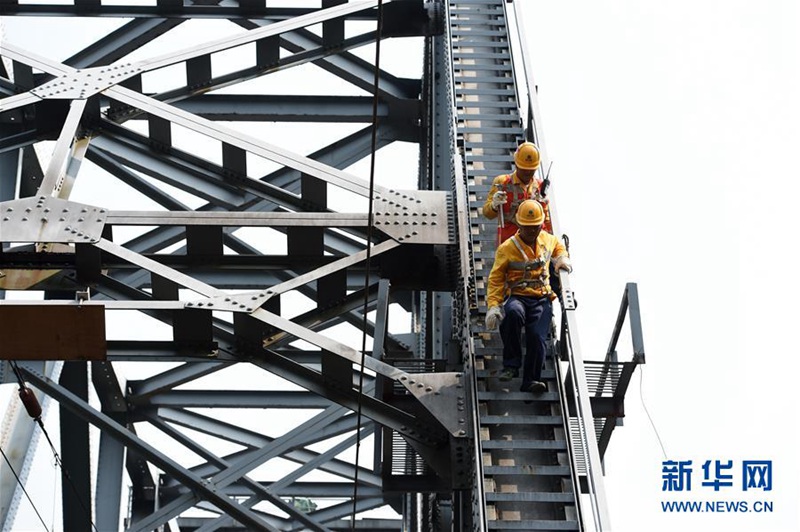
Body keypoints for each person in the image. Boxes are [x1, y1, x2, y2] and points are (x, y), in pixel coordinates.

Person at [484, 200, 572, 394]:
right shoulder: (507, 248)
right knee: (512, 314)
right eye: (528, 227)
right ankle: (511, 365)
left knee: (537, 336)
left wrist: (562, 259)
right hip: (518, 295)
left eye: (536, 227)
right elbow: (496, 279)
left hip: (541, 298)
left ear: (541, 225)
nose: (532, 231)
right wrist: (493, 306)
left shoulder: (547, 239)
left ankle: (531, 380)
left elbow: (558, 246)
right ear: (519, 225)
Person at [482, 141, 552, 243]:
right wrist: (494, 205)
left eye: (531, 169)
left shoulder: (540, 188)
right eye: (524, 169)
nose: (528, 172)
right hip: (509, 244)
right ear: (516, 164)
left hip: (535, 245)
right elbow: (487, 213)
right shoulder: (503, 183)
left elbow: (547, 221)